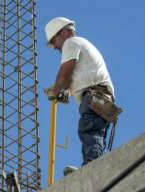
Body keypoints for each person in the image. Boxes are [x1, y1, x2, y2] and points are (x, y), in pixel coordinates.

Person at [44, 17, 116, 174]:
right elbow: (74, 77)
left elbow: (64, 74)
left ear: (63, 32)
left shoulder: (71, 43)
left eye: (54, 41)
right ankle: (95, 169)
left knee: (89, 131)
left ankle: (91, 169)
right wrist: (67, 90)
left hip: (95, 96)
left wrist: (54, 91)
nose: (55, 47)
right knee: (95, 134)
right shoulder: (81, 44)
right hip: (102, 97)